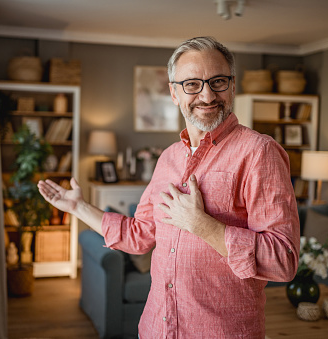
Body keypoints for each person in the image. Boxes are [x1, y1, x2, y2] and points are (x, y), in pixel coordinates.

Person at [38, 36, 300, 339]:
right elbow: (139, 235)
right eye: (192, 84)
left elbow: (283, 261)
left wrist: (203, 225)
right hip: (156, 329)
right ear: (174, 93)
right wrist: (77, 207)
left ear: (232, 86)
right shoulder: (168, 159)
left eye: (218, 81)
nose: (207, 95)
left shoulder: (259, 152)